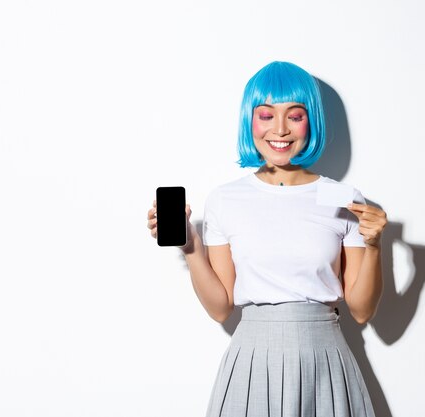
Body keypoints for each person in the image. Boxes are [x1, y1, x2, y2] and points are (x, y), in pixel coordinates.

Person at [146, 61, 387, 417]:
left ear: (311, 121)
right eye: (266, 115)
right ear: (250, 120)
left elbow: (363, 311)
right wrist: (190, 244)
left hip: (324, 355)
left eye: (294, 115)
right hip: (253, 358)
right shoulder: (225, 200)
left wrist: (373, 245)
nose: (280, 129)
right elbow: (220, 307)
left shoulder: (343, 198)